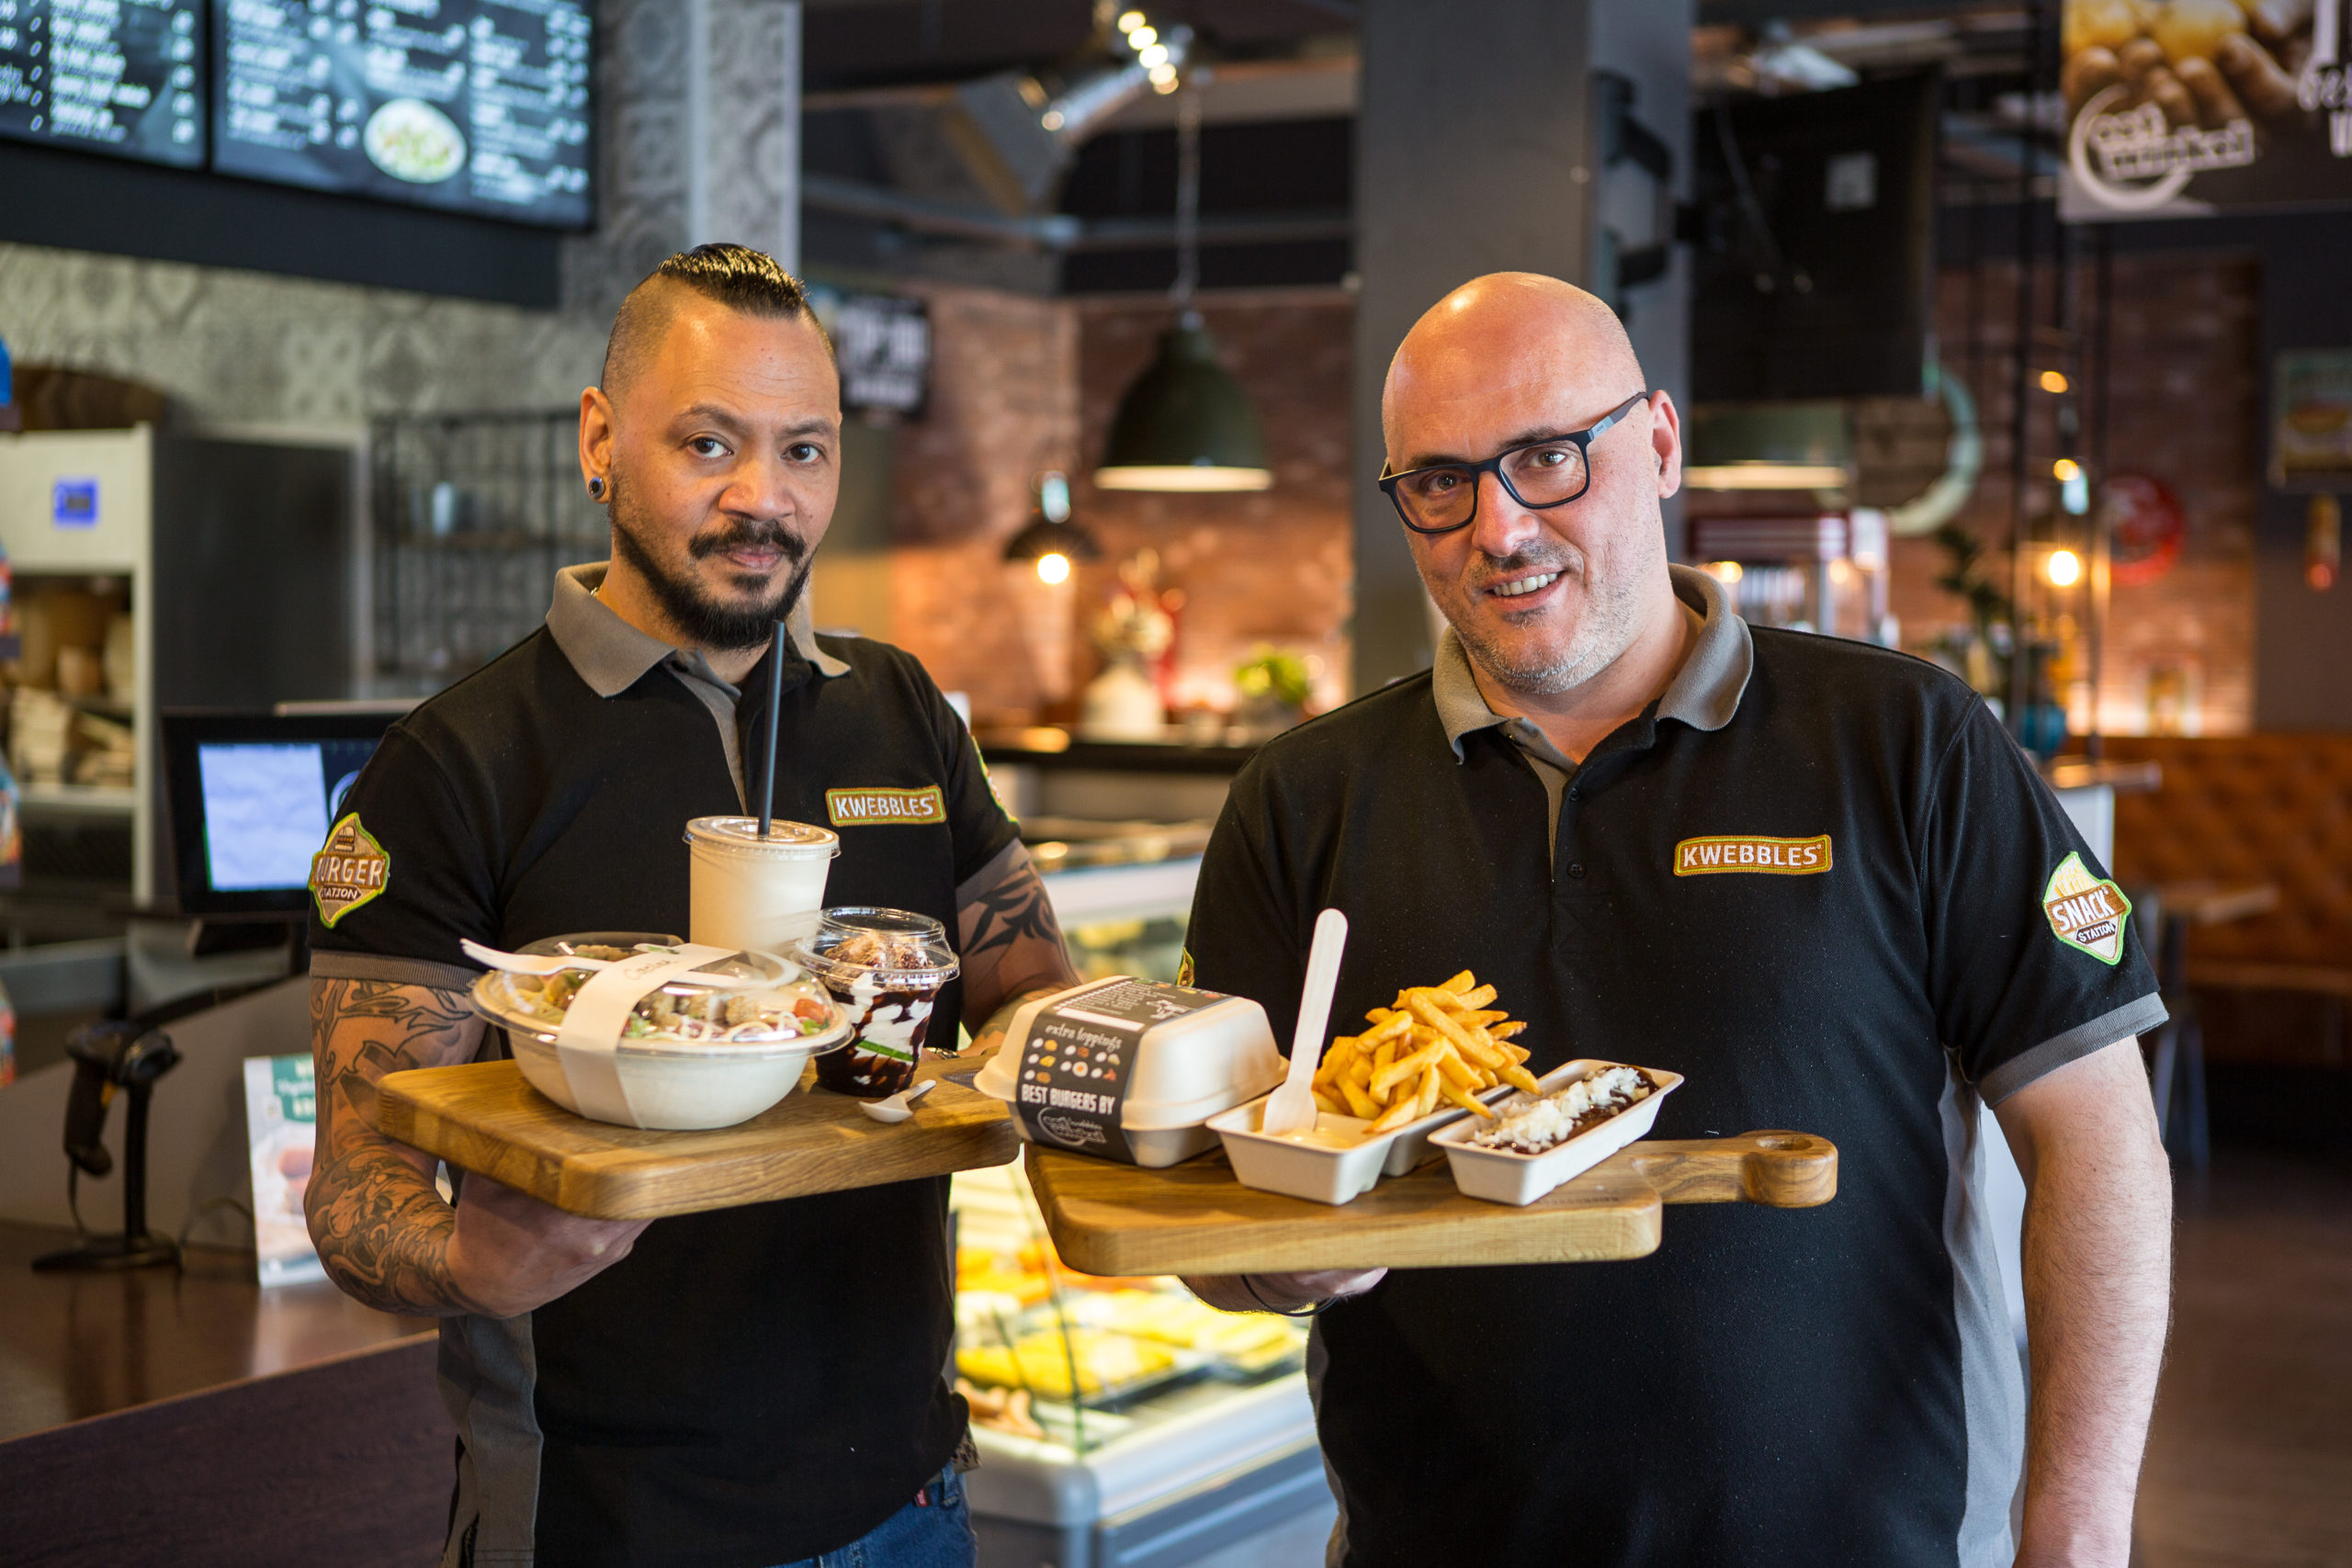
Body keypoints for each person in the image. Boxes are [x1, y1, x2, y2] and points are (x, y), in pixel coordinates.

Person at [1181, 273, 2174, 1568]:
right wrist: (1281, 1265)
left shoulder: (1905, 743)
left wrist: (2079, 1532)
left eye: (1546, 458)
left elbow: (2097, 1141)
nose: (1499, 526)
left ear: (1656, 444)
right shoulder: (1302, 798)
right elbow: (1210, 1222)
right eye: (1439, 482)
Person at [304, 243, 1080, 1568]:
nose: (760, 500)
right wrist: (471, 1266)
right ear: (601, 440)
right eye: (708, 443)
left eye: (805, 452)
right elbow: (356, 1187)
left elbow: (1034, 997)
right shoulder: (461, 760)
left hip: (910, 1498)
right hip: (610, 1516)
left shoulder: (899, 709)